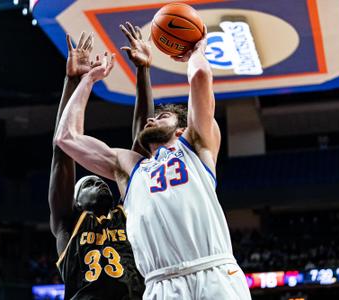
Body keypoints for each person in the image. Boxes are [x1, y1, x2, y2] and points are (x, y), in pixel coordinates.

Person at [54, 24, 252, 299]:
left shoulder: (197, 145)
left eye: (162, 117)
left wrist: (196, 50)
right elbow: (67, 137)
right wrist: (88, 79)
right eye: (152, 116)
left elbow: (200, 75)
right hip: (161, 284)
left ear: (181, 129)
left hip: (214, 270)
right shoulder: (130, 167)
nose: (151, 118)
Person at [49, 23, 153, 299]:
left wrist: (143, 71)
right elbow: (62, 152)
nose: (97, 179)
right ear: (74, 202)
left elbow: (142, 145)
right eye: (87, 182)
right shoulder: (67, 224)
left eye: (98, 178)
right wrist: (72, 81)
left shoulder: (127, 212)